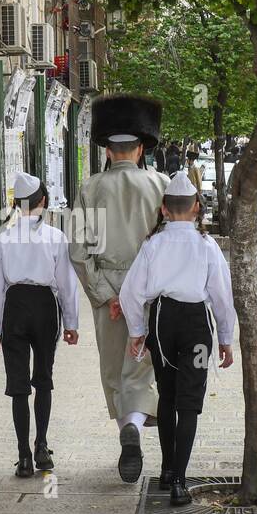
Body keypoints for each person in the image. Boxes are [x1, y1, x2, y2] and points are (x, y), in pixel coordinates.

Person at [120, 172, 235, 506]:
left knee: (167, 395)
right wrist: (226, 338)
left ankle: (169, 468)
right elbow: (221, 297)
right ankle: (180, 482)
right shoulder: (207, 245)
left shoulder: (152, 244)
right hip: (197, 324)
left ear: (164, 209)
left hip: (162, 322)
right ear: (197, 207)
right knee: (189, 404)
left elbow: (130, 294)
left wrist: (137, 332)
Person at [68, 94, 167, 483]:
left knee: (114, 368)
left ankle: (128, 429)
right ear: (140, 149)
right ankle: (136, 428)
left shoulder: (90, 189)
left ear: (108, 151)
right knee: (141, 368)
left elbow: (78, 250)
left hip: (106, 288)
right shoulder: (160, 185)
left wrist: (107, 294)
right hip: (150, 291)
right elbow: (170, 241)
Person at [0, 171, 80, 477]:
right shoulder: (56, 238)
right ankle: (41, 445)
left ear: (15, 203)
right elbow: (67, 284)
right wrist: (71, 322)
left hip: (14, 308)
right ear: (45, 202)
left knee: (18, 385)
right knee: (43, 378)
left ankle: (23, 456)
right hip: (45, 309)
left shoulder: (4, 238)